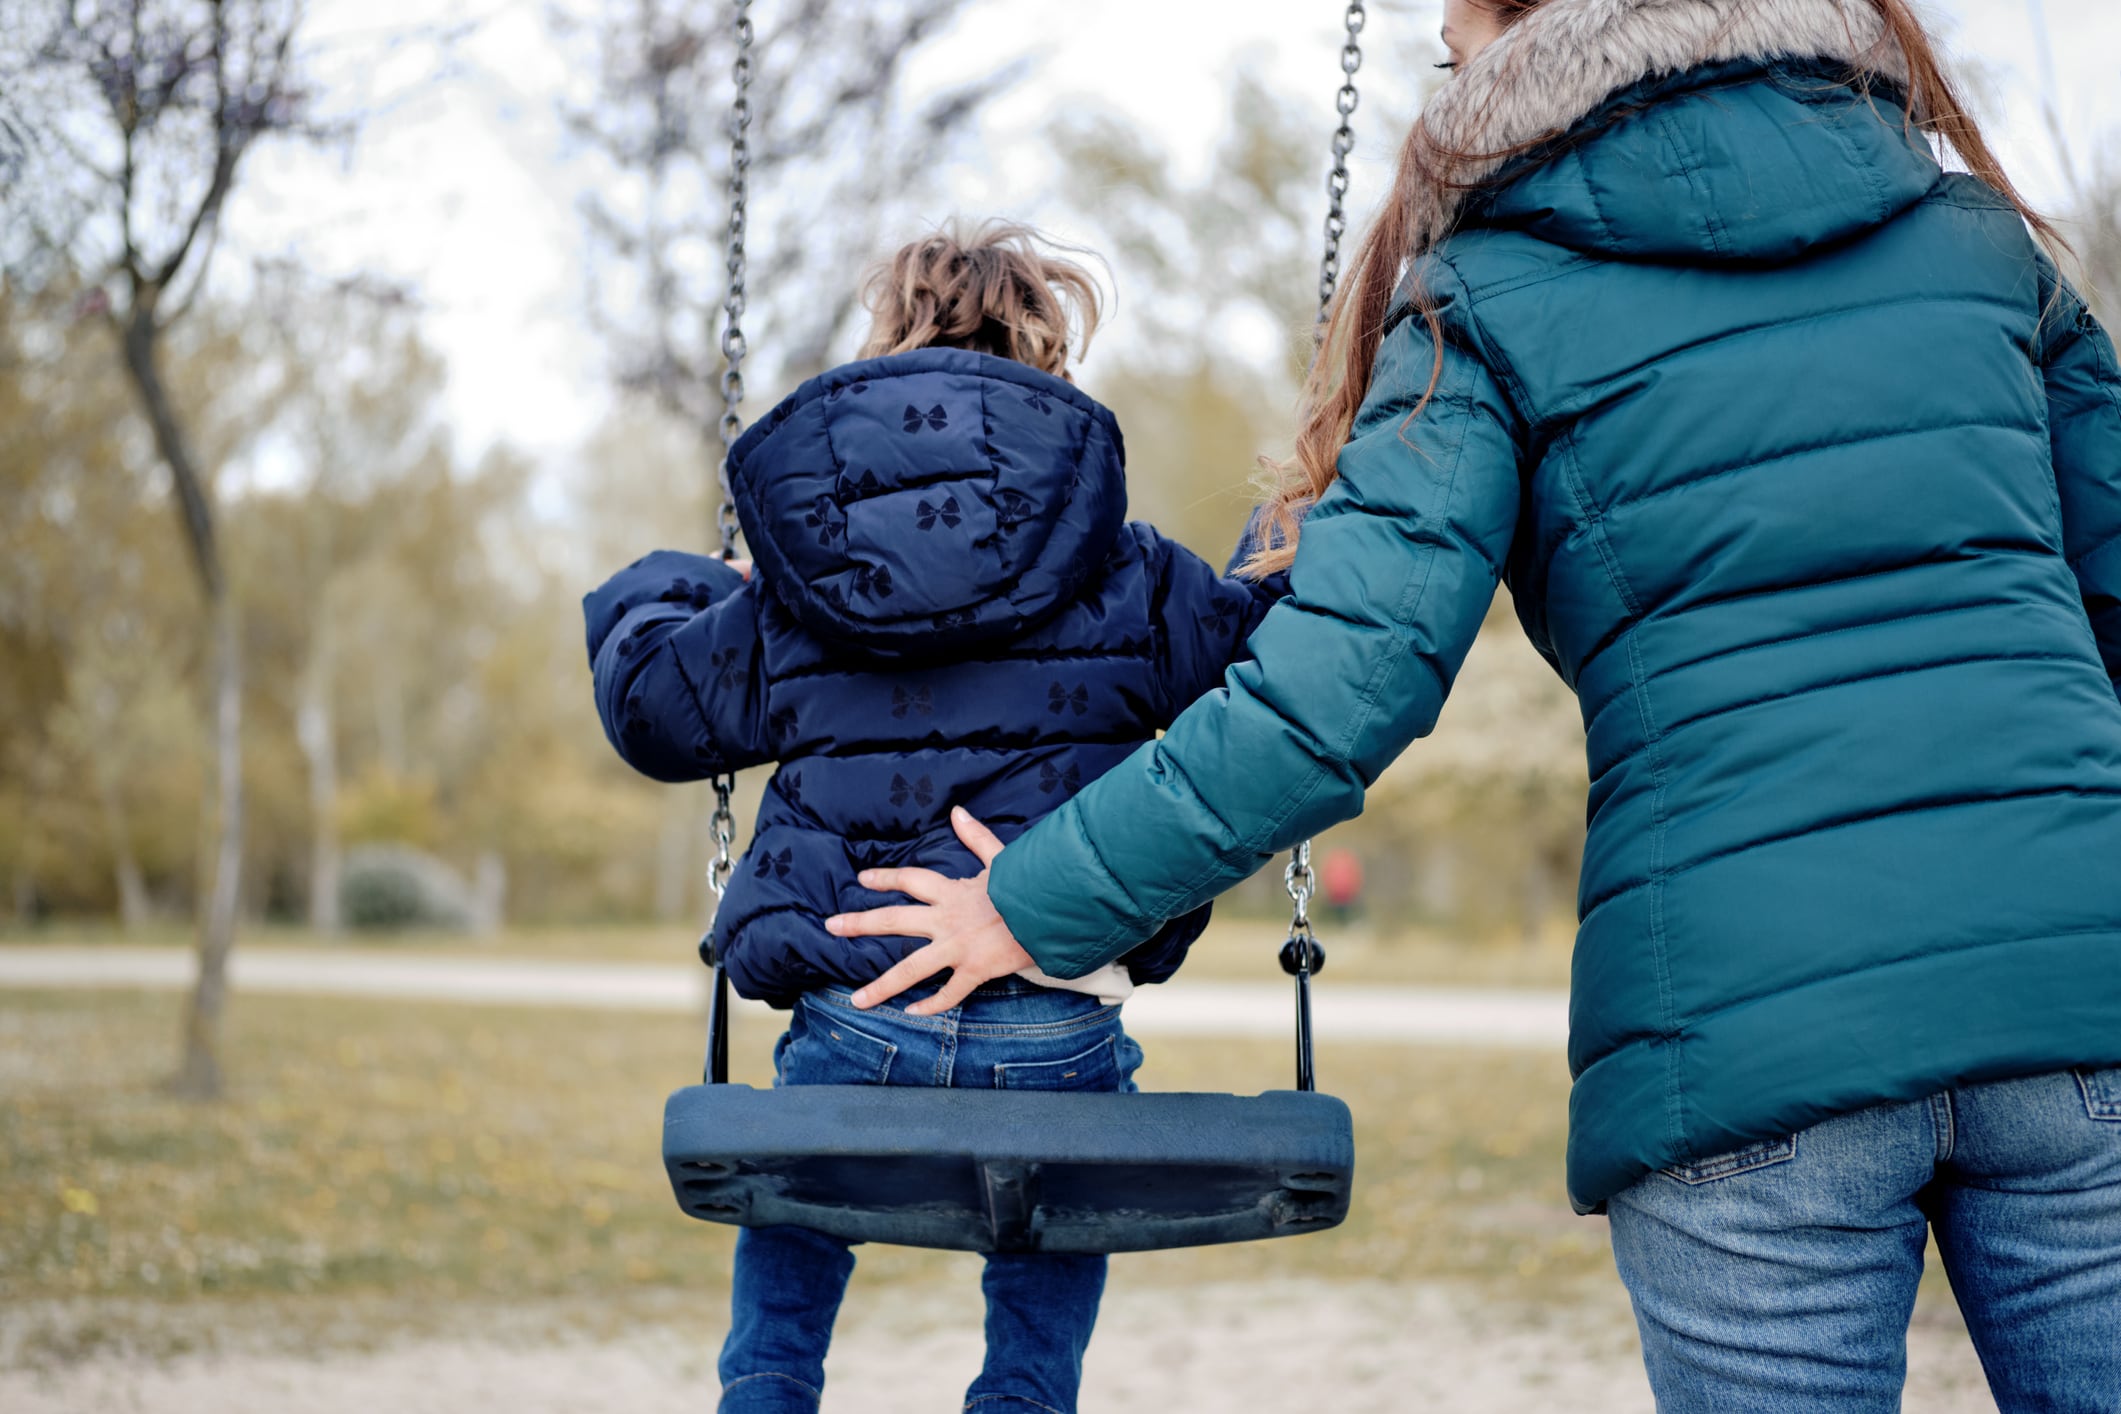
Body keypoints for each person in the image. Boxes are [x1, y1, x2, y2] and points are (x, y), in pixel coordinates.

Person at [827, 2, 2121, 1409]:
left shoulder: (1490, 293)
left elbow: (1336, 687)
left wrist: (1030, 896)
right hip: (2085, 985)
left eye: (1453, 51)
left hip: (1748, 1044)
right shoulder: (1977, 243)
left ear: (1522, 37)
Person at [581, 221, 1281, 1414]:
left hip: (857, 1021)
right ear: (1047, 351)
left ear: (886, 348)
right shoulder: (1127, 569)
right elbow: (1273, 671)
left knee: (796, 1177)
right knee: (1059, 1192)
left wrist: (692, 589)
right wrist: (1282, 538)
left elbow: (653, 707)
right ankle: (1020, 1395)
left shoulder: (804, 592)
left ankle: (766, 1387)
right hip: (1054, 1030)